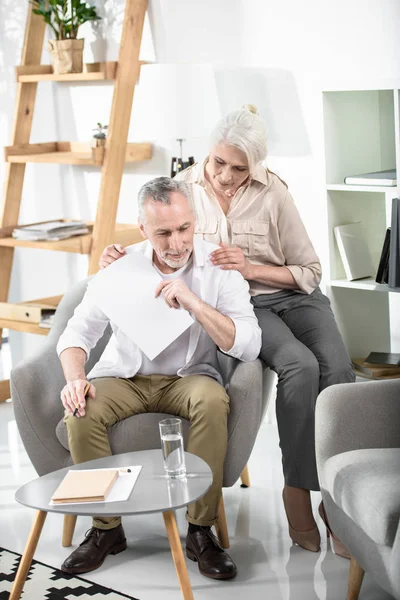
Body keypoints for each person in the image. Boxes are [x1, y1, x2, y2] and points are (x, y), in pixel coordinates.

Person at [99, 106, 355, 556]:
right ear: (208, 153)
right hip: (245, 305)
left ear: (254, 165)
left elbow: (309, 270)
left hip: (293, 295)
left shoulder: (273, 192)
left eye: (239, 168)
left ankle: (338, 502)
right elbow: (158, 235)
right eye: (219, 162)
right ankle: (297, 490)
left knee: (337, 370)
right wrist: (115, 257)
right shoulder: (185, 188)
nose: (224, 175)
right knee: (299, 365)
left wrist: (254, 266)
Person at [57, 176, 261, 579]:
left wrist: (193, 303)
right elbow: (76, 333)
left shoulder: (217, 267)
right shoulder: (120, 266)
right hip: (126, 378)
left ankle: (200, 531)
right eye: (163, 232)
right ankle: (106, 530)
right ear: (142, 229)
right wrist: (74, 379)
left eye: (184, 228)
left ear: (194, 220)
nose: (176, 243)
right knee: (80, 410)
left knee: (212, 400)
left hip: (190, 379)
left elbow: (250, 345)